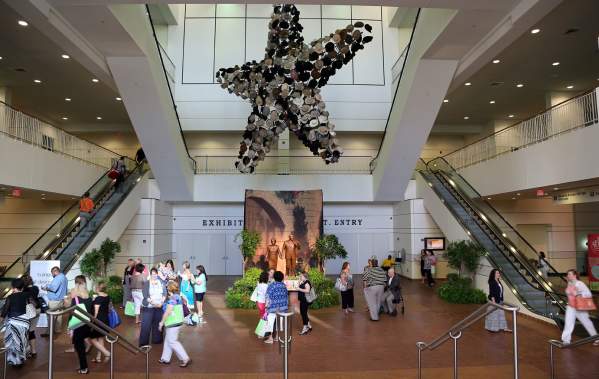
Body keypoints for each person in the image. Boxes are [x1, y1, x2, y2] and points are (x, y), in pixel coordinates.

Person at [561, 269, 599, 346]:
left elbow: (588, 294)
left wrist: (579, 293)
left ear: (574, 275)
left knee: (587, 323)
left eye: (569, 274)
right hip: (571, 307)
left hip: (579, 307)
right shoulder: (569, 283)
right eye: (567, 274)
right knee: (568, 323)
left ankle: (596, 338)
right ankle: (566, 340)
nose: (568, 276)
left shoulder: (580, 283)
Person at [158, 281, 191, 367]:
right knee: (168, 340)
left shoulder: (172, 299)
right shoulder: (177, 297)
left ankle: (185, 358)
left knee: (172, 341)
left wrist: (161, 323)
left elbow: (168, 312)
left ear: (169, 289)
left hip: (173, 323)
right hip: (178, 322)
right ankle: (165, 358)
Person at [1, 278, 30, 366]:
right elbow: (34, 304)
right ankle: (21, 359)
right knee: (22, 340)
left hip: (13, 322)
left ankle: (13, 361)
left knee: (12, 341)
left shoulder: (10, 297)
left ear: (13, 287)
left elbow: (5, 311)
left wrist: (1, 319)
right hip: (25, 322)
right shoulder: (27, 295)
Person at [68, 275, 93, 374]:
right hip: (86, 323)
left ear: (76, 283)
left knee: (79, 346)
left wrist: (69, 327)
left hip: (77, 324)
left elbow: (71, 312)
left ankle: (84, 368)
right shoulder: (88, 296)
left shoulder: (75, 298)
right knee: (80, 345)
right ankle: (82, 365)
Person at [139, 268, 166, 346]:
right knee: (146, 325)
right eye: (152, 274)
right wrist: (153, 303)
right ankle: (143, 343)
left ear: (157, 274)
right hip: (148, 307)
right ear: (150, 275)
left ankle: (157, 340)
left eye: (155, 274)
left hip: (159, 307)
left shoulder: (161, 282)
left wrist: (161, 302)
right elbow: (145, 295)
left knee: (157, 324)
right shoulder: (147, 283)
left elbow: (164, 293)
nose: (154, 275)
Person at [264, 271, 288, 344]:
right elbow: (286, 295)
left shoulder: (272, 285)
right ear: (281, 278)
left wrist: (266, 306)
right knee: (279, 322)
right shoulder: (283, 285)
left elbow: (267, 296)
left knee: (270, 322)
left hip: (273, 307)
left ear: (274, 277)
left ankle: (271, 338)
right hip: (282, 307)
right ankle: (277, 337)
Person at [42, 266, 68, 335]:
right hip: (60, 300)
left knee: (50, 317)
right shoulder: (64, 277)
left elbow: (53, 288)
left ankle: (49, 332)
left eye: (52, 273)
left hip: (54, 301)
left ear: (55, 271)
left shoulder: (58, 277)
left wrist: (46, 287)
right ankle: (57, 331)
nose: (52, 275)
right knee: (58, 317)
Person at [90, 282, 111, 363]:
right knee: (100, 338)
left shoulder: (98, 299)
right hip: (105, 320)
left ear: (98, 288)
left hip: (98, 321)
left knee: (93, 339)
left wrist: (92, 322)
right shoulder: (107, 296)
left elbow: (95, 313)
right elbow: (108, 308)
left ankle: (106, 353)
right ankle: (98, 357)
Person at [22, 275, 40, 357]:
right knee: (32, 331)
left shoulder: (23, 290)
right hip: (37, 310)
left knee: (25, 331)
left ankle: (27, 350)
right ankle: (34, 351)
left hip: (28, 312)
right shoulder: (36, 288)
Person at [297, 271, 313, 335]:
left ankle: (305, 328)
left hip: (305, 301)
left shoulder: (307, 282)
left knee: (303, 313)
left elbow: (307, 290)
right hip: (303, 300)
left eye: (301, 276)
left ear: (305, 276)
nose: (300, 277)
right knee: (303, 313)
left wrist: (299, 289)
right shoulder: (304, 282)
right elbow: (299, 286)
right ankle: (309, 325)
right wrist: (299, 281)